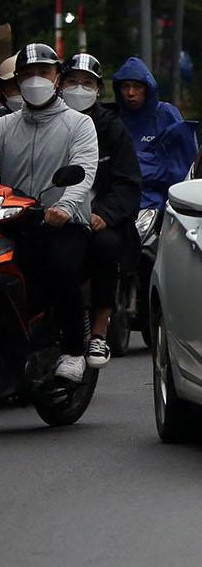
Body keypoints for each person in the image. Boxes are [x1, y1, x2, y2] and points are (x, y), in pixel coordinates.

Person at [0, 44, 99, 381]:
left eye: (43, 73)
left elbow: (84, 170)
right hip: (13, 220)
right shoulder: (5, 126)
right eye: (27, 74)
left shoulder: (79, 124)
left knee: (62, 268)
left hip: (61, 223)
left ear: (57, 78)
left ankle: (73, 350)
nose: (34, 80)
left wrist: (64, 207)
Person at [61, 54, 141, 369]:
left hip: (97, 219)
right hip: (53, 213)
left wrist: (103, 213)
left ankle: (99, 330)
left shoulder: (111, 128)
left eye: (87, 83)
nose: (78, 89)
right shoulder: (47, 121)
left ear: (98, 89)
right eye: (71, 82)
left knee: (105, 247)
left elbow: (128, 183)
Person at [114, 56, 197, 213]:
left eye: (137, 87)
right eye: (126, 87)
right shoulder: (114, 119)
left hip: (160, 205)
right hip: (119, 203)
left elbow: (182, 163)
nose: (131, 93)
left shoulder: (165, 114)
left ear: (147, 88)